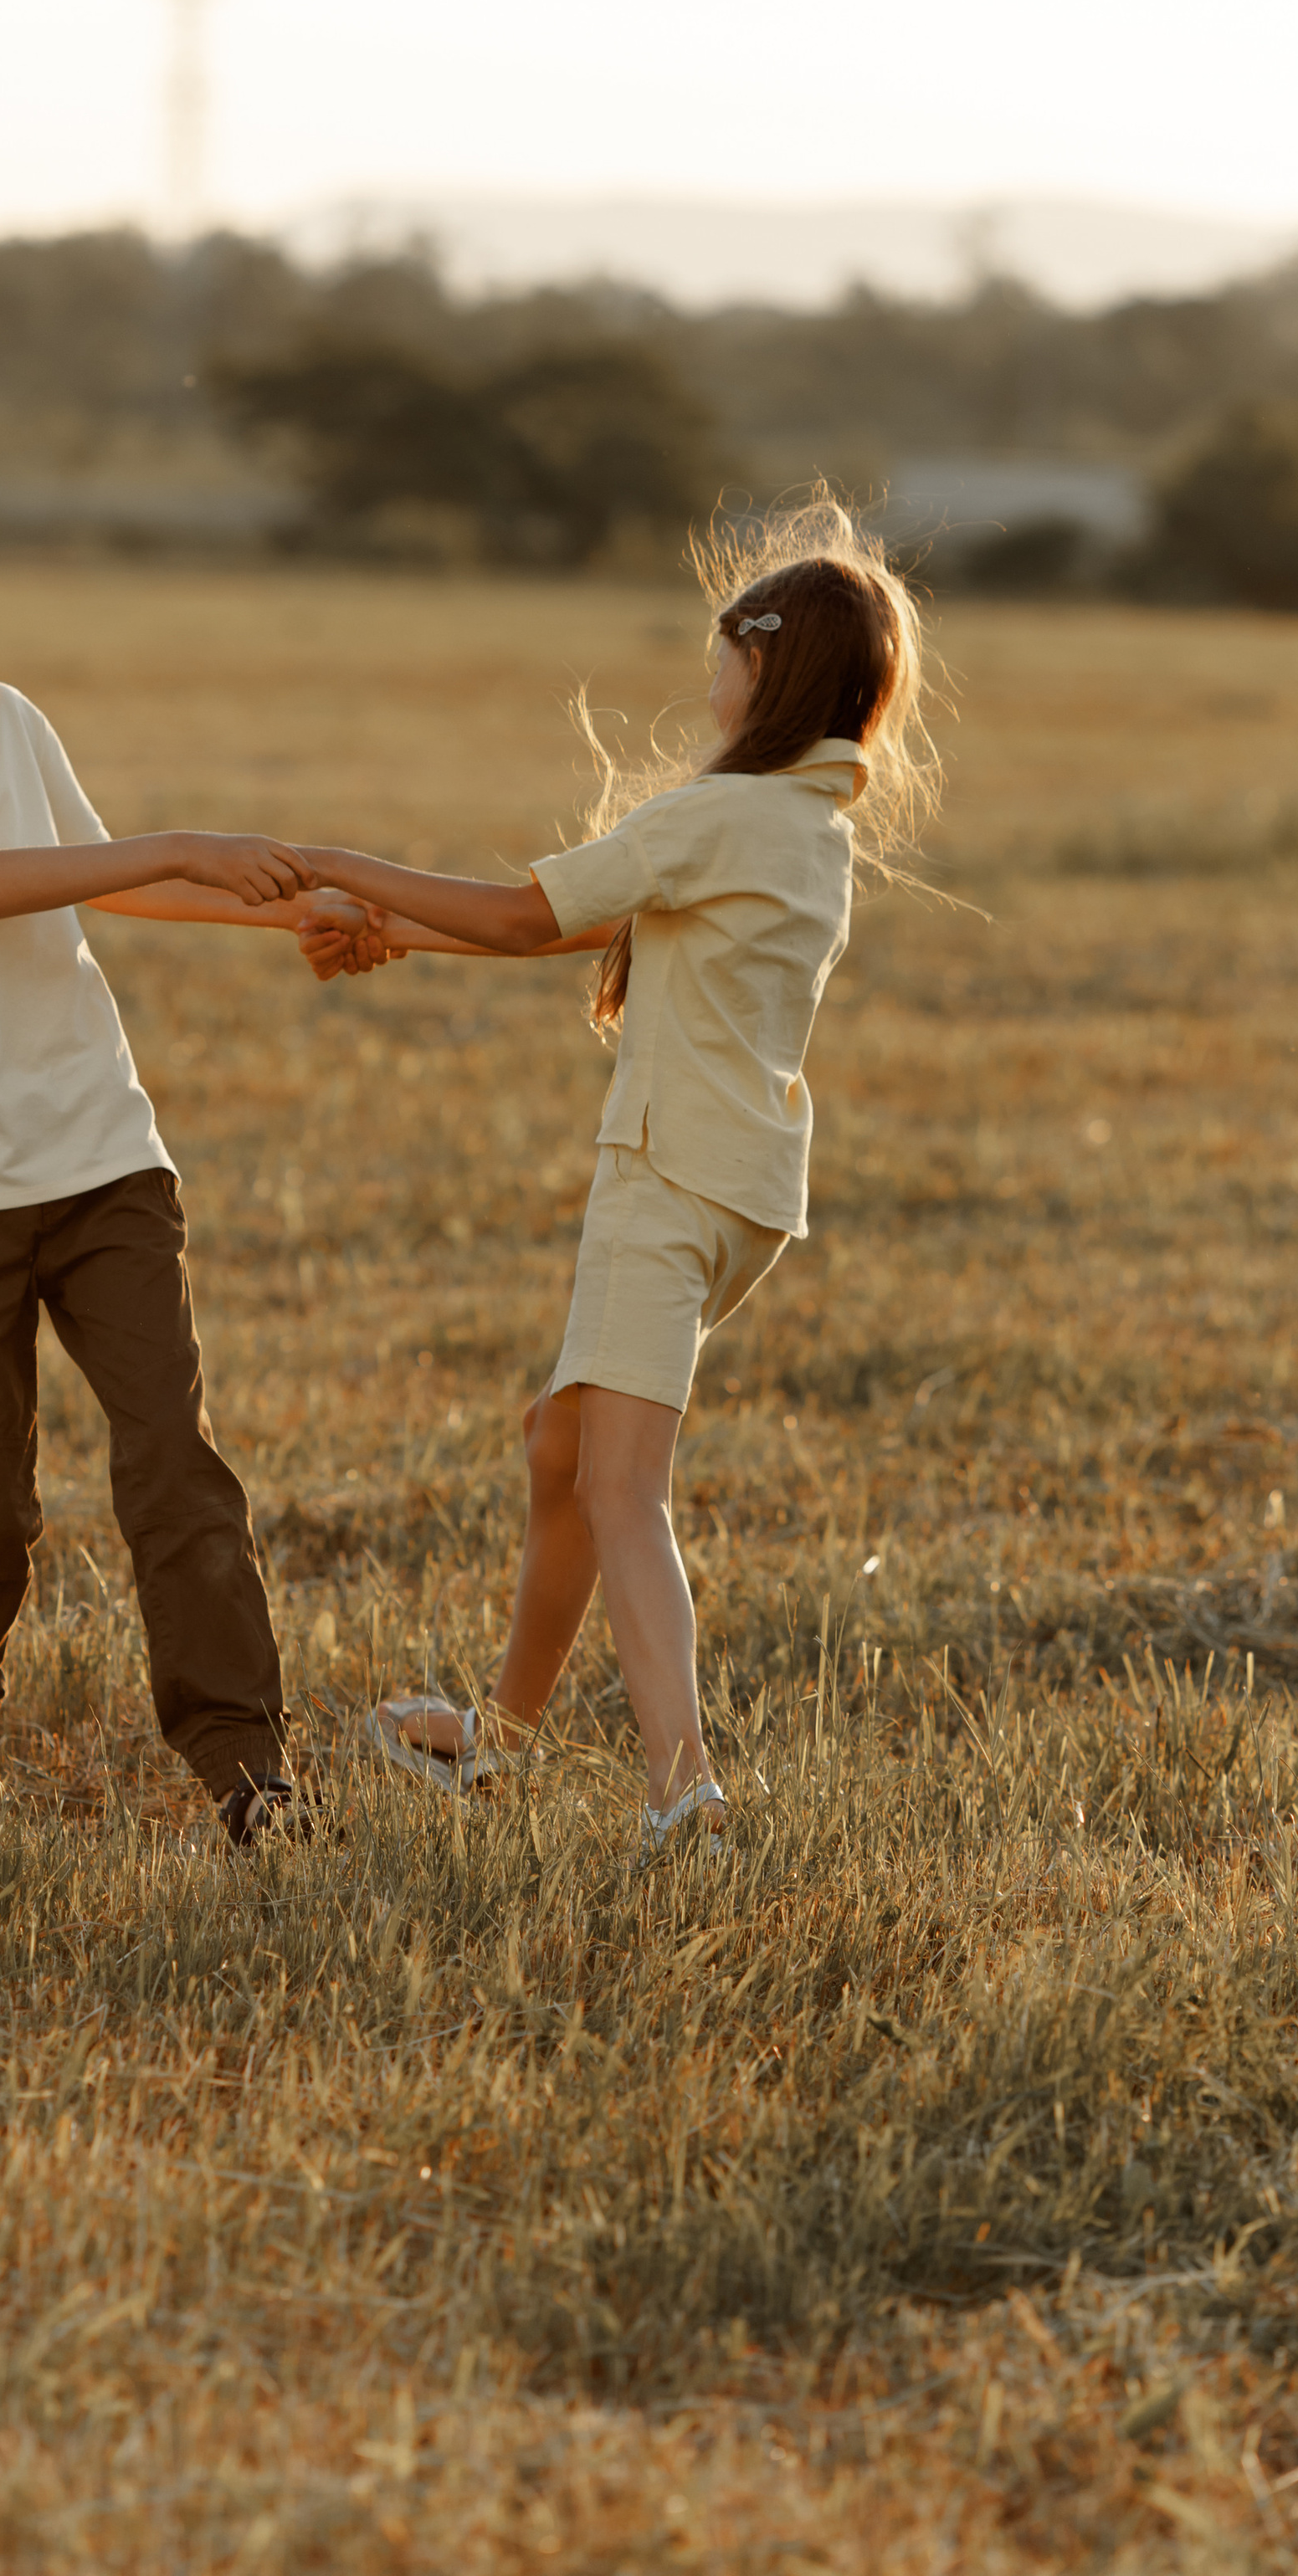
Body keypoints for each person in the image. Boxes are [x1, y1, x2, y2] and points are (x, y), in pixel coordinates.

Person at [296, 494, 939, 1858]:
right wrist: (398, 935)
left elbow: (529, 911)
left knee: (621, 1486)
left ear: (762, 670)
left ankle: (684, 1792)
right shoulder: (808, 830)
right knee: (563, 1447)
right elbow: (548, 935)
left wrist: (336, 868)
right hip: (745, 1190)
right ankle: (501, 1743)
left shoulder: (724, 813)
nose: (709, 679)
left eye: (724, 652)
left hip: (665, 1178)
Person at [0, 480, 367, 1842]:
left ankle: (246, 1770)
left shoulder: (8, 721)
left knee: (177, 1467)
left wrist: (285, 912)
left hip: (101, 1154)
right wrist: (187, 839)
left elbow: (97, 878)